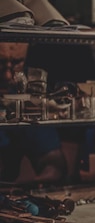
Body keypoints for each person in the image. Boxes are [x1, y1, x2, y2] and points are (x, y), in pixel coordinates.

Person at [0, 42, 68, 185]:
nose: (7, 76)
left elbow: (53, 161)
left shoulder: (19, 103)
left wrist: (31, 184)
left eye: (17, 63)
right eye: (0, 63)